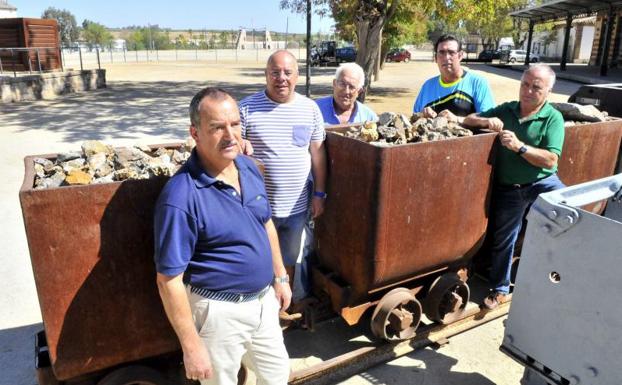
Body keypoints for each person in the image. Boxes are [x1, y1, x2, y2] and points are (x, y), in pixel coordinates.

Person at [154, 87, 291, 385]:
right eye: (217, 127)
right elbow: (168, 281)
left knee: (278, 376)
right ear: (195, 133)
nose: (230, 135)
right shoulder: (181, 197)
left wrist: (280, 276)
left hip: (263, 304)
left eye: (235, 124)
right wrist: (191, 346)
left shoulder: (247, 167)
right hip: (219, 315)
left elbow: (265, 223)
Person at [463, 64, 565, 310]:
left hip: (543, 183)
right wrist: (488, 120)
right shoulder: (507, 109)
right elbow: (469, 120)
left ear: (548, 91)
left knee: (569, 218)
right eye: (525, 85)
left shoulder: (553, 117)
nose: (528, 91)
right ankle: (500, 289)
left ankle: (563, 277)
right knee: (503, 239)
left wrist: (520, 146)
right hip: (511, 187)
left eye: (536, 87)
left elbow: (551, 159)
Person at [239, 50, 327, 303]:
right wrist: (241, 143)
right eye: (275, 72)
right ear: (266, 75)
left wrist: (320, 194)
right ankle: (260, 305)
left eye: (288, 72)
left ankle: (282, 307)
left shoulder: (310, 109)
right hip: (257, 210)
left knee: (289, 260)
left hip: (297, 209)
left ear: (297, 76)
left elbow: (318, 157)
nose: (281, 78)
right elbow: (234, 149)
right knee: (258, 260)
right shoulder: (246, 109)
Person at [414, 34, 495, 124]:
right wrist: (422, 115)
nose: (446, 57)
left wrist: (457, 119)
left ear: (460, 55)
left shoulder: (478, 83)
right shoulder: (427, 86)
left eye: (451, 52)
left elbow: (489, 121)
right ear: (436, 58)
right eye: (441, 52)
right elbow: (413, 120)